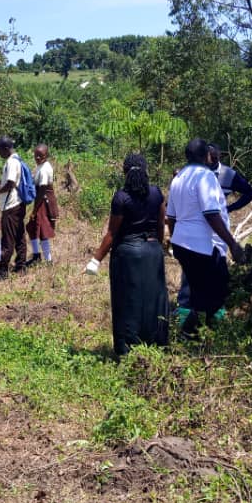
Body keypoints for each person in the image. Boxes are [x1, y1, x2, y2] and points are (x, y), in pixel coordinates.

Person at [85, 153, 170, 357]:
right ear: (146, 170)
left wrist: (95, 260)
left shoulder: (121, 197)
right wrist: (157, 248)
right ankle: (157, 344)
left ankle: (127, 349)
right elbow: (160, 225)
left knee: (127, 302)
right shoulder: (157, 193)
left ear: (125, 172)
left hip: (128, 256)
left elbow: (112, 233)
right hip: (153, 252)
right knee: (155, 300)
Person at [167, 138, 247, 335]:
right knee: (217, 290)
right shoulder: (205, 177)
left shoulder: (178, 178)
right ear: (207, 156)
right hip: (201, 246)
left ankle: (195, 334)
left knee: (198, 292)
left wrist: (176, 240)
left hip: (182, 244)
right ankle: (199, 333)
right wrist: (233, 244)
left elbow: (171, 217)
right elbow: (211, 213)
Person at [0, 136, 28, 277]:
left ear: (6, 149)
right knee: (19, 235)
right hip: (18, 204)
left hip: (11, 205)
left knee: (8, 238)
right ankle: (21, 266)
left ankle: (2, 270)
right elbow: (10, 182)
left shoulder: (12, 162)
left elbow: (11, 183)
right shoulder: (17, 160)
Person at [26, 144, 58, 265]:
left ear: (46, 155)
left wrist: (34, 210)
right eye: (36, 155)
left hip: (44, 200)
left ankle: (48, 260)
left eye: (41, 156)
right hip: (41, 199)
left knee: (42, 230)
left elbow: (43, 189)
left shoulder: (45, 168)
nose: (38, 158)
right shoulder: (40, 166)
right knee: (32, 227)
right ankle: (36, 256)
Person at [207, 143, 252, 213]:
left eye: (213, 154)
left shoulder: (228, 174)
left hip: (217, 220)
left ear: (219, 156)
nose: (210, 158)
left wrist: (230, 208)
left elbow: (250, 193)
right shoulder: (196, 173)